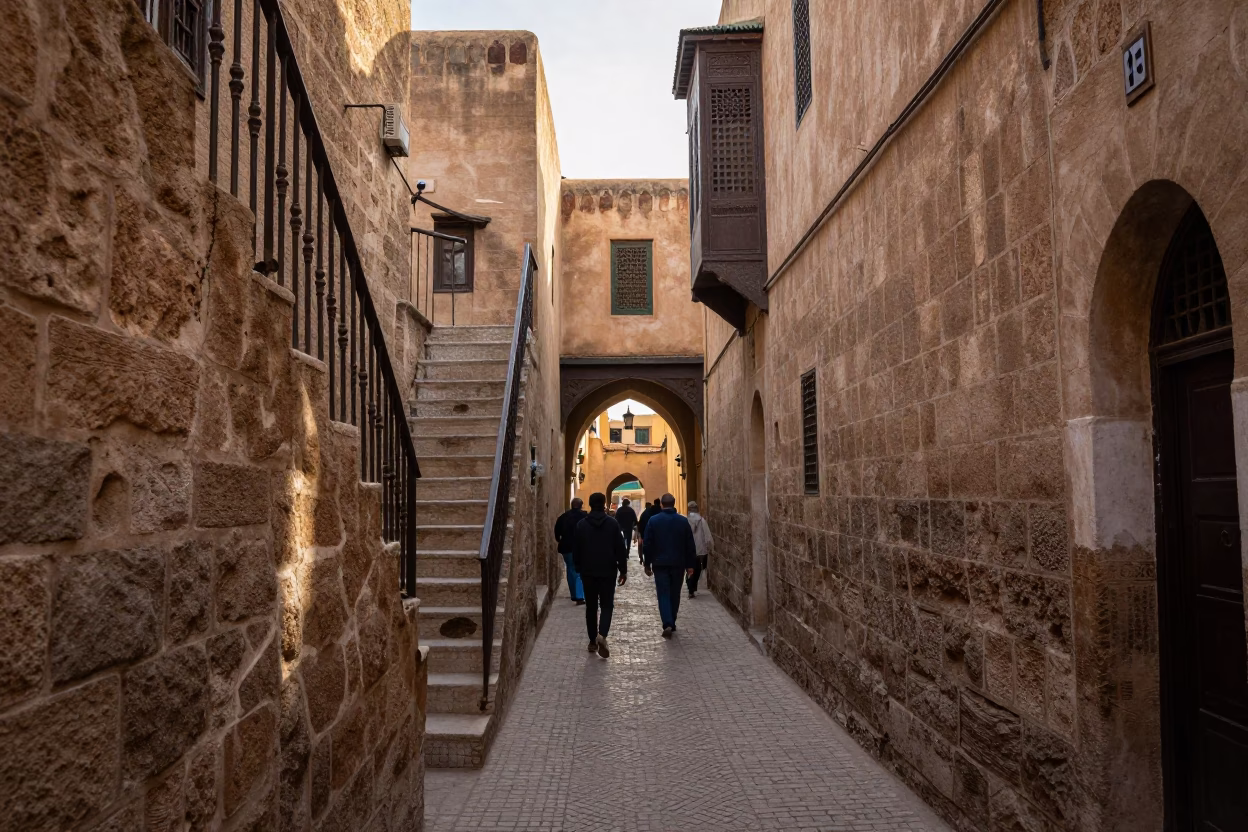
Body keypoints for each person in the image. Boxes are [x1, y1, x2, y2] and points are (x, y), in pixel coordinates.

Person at [572, 492, 628, 657]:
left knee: (591, 607)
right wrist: (623, 569)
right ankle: (602, 635)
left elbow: (576, 548)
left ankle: (592, 641)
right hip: (608, 570)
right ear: (604, 504)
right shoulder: (612, 524)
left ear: (590, 504)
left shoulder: (582, 525)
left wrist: (578, 566)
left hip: (588, 571)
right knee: (607, 605)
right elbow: (620, 548)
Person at [642, 494, 696, 638]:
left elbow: (648, 543)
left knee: (663, 593)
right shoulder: (683, 521)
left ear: (661, 504)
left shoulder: (653, 521)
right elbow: (690, 544)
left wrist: (647, 563)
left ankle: (667, 622)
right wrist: (690, 565)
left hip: (659, 563)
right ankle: (672, 620)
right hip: (678, 563)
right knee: (675, 592)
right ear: (674, 503)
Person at [553, 498, 586, 605]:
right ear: (581, 505)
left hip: (566, 548)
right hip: (580, 548)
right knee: (579, 571)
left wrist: (561, 540)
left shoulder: (563, 517)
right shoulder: (585, 517)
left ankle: (574, 594)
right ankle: (579, 596)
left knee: (571, 569)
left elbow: (557, 533)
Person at [686, 501, 713, 598]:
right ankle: (693, 587)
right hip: (700, 550)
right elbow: (707, 535)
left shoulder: (686, 521)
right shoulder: (702, 521)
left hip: (688, 550)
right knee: (697, 569)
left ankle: (690, 587)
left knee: (689, 568)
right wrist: (709, 547)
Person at [636, 497, 661, 565]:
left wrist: (641, 533)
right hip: (659, 535)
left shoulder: (646, 512)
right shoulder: (661, 512)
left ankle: (646, 561)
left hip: (646, 533)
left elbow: (641, 523)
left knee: (647, 547)